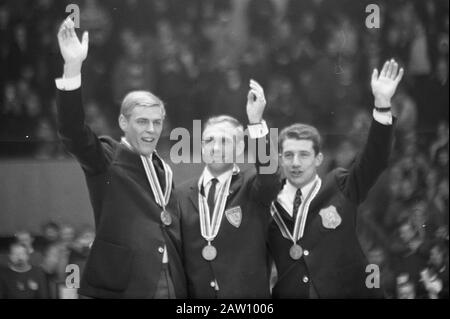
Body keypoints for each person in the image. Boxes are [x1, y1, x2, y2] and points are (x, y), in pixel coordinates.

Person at [54, 17, 186, 298]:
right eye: (142, 121)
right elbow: (72, 132)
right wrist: (73, 66)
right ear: (124, 123)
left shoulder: (164, 169)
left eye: (156, 122)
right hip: (126, 284)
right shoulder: (108, 156)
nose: (151, 130)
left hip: (171, 280)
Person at [268, 59, 404, 298]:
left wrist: (382, 104)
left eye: (303, 155)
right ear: (280, 159)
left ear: (319, 159)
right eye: (289, 155)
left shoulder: (340, 186)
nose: (296, 162)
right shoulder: (268, 205)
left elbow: (375, 159)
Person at [177, 79, 282, 298]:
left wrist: (255, 122)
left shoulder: (253, 186)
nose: (216, 148)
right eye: (209, 140)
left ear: (240, 147)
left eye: (225, 141)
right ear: (201, 146)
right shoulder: (179, 195)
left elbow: (271, 177)